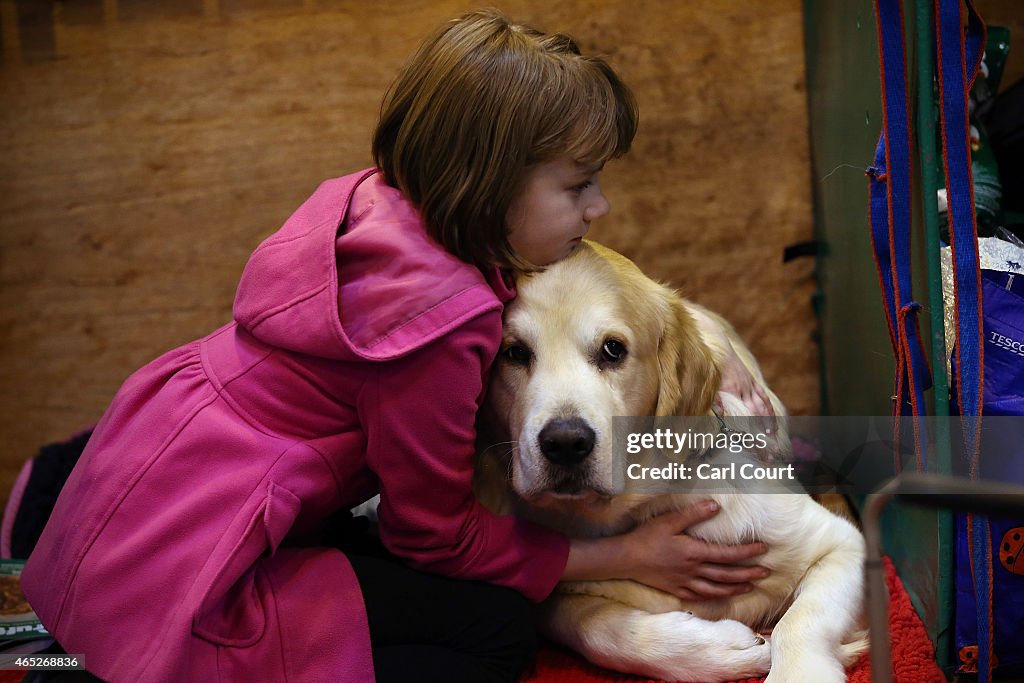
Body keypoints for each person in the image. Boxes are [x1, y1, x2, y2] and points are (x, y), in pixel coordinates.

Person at [22, 9, 770, 683]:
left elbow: (585, 284)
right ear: (494, 189)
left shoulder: (374, 202)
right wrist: (620, 556)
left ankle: (57, 534)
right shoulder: (443, 324)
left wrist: (703, 334)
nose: (598, 207)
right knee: (496, 636)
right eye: (579, 187)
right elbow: (435, 538)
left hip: (143, 474)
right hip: (201, 571)